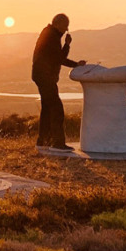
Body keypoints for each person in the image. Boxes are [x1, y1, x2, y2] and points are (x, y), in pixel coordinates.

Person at [31, 14, 85, 152]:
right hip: (45, 76)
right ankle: (57, 143)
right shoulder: (51, 36)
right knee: (56, 108)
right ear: (58, 24)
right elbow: (59, 58)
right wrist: (68, 48)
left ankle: (43, 141)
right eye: (66, 25)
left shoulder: (49, 34)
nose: (67, 28)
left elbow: (56, 57)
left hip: (41, 75)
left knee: (47, 109)